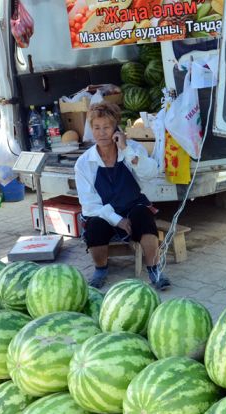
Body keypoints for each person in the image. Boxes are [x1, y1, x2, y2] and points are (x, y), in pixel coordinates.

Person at [74, 102, 170, 290]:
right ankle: (100, 270)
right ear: (92, 130)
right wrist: (117, 220)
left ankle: (154, 270)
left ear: (116, 128)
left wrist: (126, 150)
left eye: (106, 127)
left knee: (144, 217)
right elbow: (88, 204)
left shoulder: (132, 149)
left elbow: (150, 173)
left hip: (133, 205)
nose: (101, 133)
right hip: (104, 212)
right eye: (97, 128)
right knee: (94, 226)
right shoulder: (84, 163)